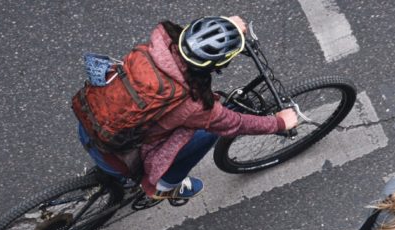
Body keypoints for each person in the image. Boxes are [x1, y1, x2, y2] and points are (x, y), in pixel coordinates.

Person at [77, 16, 299, 201]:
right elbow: (235, 123)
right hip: (119, 157)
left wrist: (227, 26)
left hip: (89, 123)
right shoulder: (194, 105)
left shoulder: (160, 44)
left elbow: (194, 39)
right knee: (208, 132)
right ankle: (165, 186)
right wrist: (279, 122)